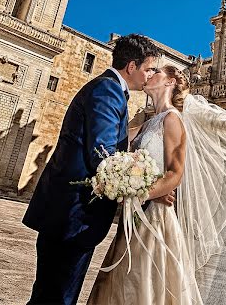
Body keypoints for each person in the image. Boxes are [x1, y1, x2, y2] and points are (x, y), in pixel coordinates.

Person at [23, 34, 171, 305]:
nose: (150, 75)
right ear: (131, 67)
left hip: (69, 213)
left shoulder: (109, 89)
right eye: (148, 68)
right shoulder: (108, 91)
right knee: (57, 296)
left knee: (49, 294)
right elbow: (104, 159)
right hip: (74, 215)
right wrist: (149, 191)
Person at [87, 65, 203, 305]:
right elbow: (116, 154)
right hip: (135, 215)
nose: (150, 75)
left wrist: (141, 193)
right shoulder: (148, 122)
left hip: (154, 220)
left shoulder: (172, 119)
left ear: (170, 82)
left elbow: (175, 173)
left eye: (156, 72)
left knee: (143, 281)